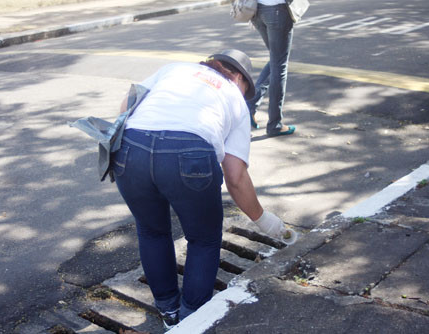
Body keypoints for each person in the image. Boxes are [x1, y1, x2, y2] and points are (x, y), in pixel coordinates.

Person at [112, 49, 288, 330]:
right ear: (240, 79)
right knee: (203, 239)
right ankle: (192, 317)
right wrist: (264, 221)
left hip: (130, 148)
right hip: (188, 151)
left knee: (151, 230)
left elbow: (125, 107)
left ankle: (168, 310)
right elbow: (236, 176)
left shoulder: (174, 69)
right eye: (246, 89)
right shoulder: (236, 100)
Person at [247, 0, 310, 137]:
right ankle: (275, 124)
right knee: (279, 66)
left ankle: (249, 108)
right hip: (277, 11)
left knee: (276, 60)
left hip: (257, 11)